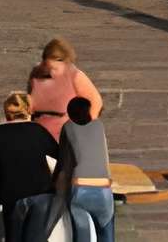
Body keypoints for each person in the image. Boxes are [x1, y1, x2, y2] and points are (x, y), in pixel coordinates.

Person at [0, 91, 60, 242]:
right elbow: (60, 158)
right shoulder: (39, 130)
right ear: (28, 109)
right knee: (36, 238)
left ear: (7, 112)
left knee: (14, 237)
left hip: (11, 195)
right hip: (41, 192)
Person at [55, 95, 117, 242]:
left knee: (82, 236)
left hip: (80, 188)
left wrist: (53, 183)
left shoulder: (68, 127)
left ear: (70, 113)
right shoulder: (99, 126)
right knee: (106, 234)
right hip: (103, 188)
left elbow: (63, 163)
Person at [26, 39, 101, 134]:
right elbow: (30, 100)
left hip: (64, 132)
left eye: (55, 68)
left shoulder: (75, 75)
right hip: (39, 131)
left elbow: (96, 102)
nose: (52, 72)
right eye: (48, 66)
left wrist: (85, 128)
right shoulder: (37, 73)